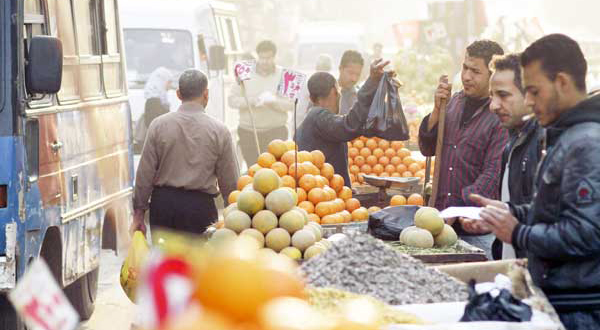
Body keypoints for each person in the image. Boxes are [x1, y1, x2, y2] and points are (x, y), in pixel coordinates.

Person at [472, 34, 600, 330]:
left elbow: (589, 233)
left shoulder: (586, 143)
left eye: (533, 91)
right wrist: (511, 213)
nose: (528, 101)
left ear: (562, 83)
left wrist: (519, 233)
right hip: (564, 302)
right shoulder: (566, 135)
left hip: (580, 311)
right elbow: (558, 211)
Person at [418, 40, 509, 257]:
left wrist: (456, 208)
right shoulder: (453, 103)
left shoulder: (500, 116)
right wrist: (436, 111)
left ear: (493, 75)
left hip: (476, 230)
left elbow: (491, 177)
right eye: (465, 68)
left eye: (475, 71)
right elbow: (427, 147)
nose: (467, 76)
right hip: (439, 224)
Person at [132, 69, 239, 236]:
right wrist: (233, 215)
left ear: (178, 94)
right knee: (198, 261)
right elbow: (229, 180)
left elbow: (144, 174)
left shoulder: (158, 125)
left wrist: (138, 214)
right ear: (206, 94)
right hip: (200, 209)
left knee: (166, 260)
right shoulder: (219, 130)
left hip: (164, 208)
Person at [462, 53, 544, 260]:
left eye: (503, 95)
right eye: (492, 96)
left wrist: (516, 227)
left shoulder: (546, 143)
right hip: (514, 273)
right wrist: (496, 218)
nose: (493, 105)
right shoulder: (512, 144)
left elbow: (561, 222)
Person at [296, 59, 390, 187]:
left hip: (320, 196)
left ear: (311, 98)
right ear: (335, 91)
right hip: (325, 198)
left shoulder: (309, 120)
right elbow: (349, 125)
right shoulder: (319, 117)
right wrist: (372, 82)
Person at [228, 40, 293, 168]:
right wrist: (252, 101)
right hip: (249, 132)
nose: (265, 61)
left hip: (276, 132)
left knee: (276, 169)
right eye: (262, 58)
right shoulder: (244, 71)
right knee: (254, 169)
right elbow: (232, 100)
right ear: (257, 56)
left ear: (274, 57)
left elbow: (292, 105)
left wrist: (274, 102)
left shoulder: (285, 75)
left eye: (268, 58)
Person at [134, 67, 173, 152]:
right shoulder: (153, 101)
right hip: (156, 145)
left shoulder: (160, 98)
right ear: (161, 81)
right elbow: (153, 124)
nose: (170, 86)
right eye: (169, 82)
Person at [338, 50, 365, 115]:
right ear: (340, 69)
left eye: (358, 74)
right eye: (351, 73)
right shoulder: (327, 94)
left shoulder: (361, 97)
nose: (354, 79)